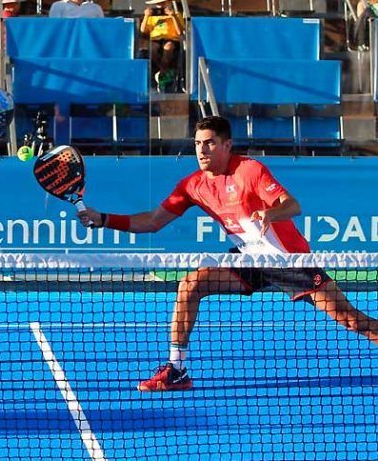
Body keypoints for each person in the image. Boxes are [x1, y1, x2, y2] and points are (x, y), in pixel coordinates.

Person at [77, 115, 378, 392]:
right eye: (197, 143)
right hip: (247, 259)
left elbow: (293, 205)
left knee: (351, 320)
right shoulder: (193, 185)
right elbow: (153, 221)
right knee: (191, 284)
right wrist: (104, 219)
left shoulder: (249, 170)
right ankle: (177, 370)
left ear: (227, 145)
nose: (202, 150)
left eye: (209, 143)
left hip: (288, 260)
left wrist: (271, 213)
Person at [139, 0, 184, 93]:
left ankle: (162, 74)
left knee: (168, 47)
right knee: (152, 48)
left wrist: (173, 16)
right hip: (155, 39)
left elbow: (180, 32)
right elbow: (143, 32)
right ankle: (163, 73)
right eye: (158, 4)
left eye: (162, 3)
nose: (160, 6)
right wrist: (146, 16)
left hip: (171, 39)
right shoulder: (151, 17)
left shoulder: (176, 15)